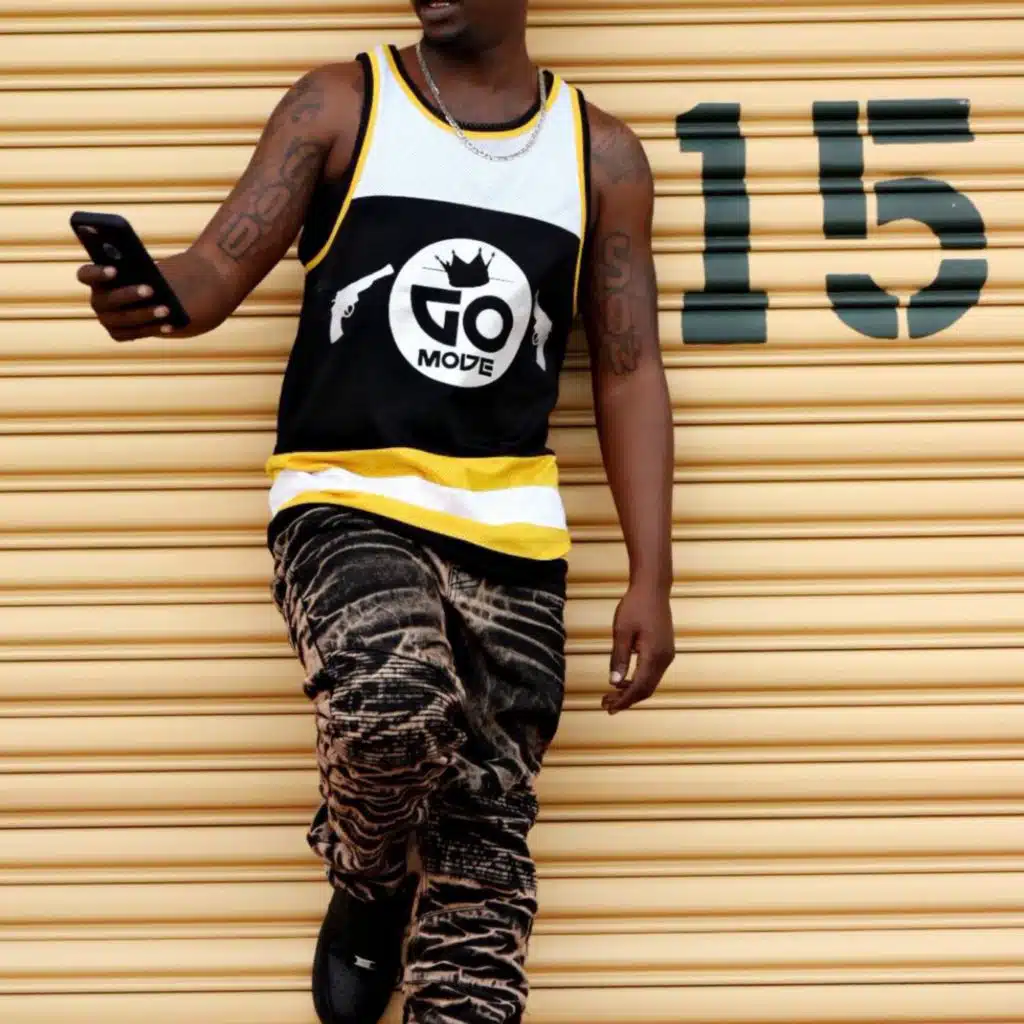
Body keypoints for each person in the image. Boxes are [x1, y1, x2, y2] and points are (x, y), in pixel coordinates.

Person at [77, 1, 676, 1021]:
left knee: (485, 851)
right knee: (389, 707)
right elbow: (214, 270)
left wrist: (650, 577)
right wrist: (153, 297)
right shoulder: (340, 105)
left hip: (513, 538)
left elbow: (627, 370)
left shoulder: (601, 155)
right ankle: (368, 876)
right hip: (347, 500)